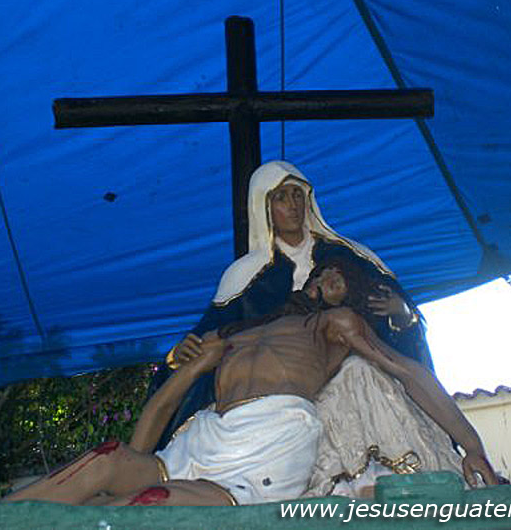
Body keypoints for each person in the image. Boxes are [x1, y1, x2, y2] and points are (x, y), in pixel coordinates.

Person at [5, 258, 496, 506]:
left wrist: (471, 446)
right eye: (323, 273)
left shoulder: (333, 326)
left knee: (148, 507)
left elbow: (408, 371)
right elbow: (165, 403)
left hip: (267, 444)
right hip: (203, 436)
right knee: (105, 462)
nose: (329, 278)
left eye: (341, 278)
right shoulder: (234, 334)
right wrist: (136, 457)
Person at [150, 160, 433, 449]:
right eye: (281, 197)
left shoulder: (351, 256)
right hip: (278, 386)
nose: (293, 205)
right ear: (263, 206)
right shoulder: (245, 275)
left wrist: (403, 315)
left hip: (352, 380)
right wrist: (177, 356)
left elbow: (394, 329)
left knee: (359, 375)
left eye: (297, 194)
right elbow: (213, 336)